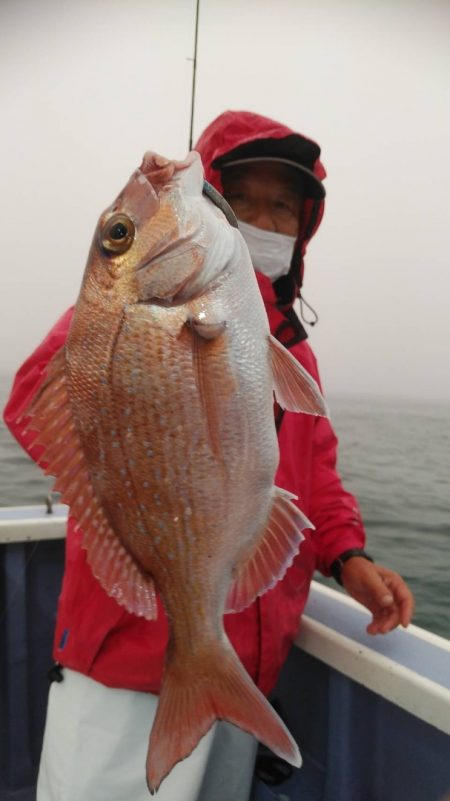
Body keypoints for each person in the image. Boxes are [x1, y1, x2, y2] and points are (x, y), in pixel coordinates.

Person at [3, 110, 415, 801]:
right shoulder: (124, 316)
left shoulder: (291, 351)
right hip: (122, 666)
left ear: (303, 228)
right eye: (242, 198)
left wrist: (349, 557)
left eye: (282, 207)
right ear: (213, 202)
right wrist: (112, 306)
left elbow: (315, 479)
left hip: (243, 667)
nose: (263, 219)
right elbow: (29, 406)